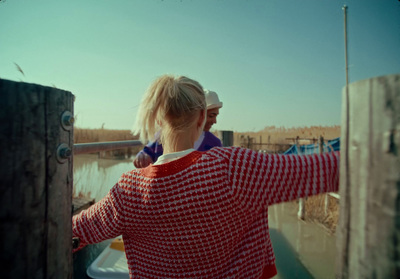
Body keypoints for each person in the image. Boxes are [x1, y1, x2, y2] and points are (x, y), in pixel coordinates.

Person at [72, 74, 340, 279]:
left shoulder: (128, 190)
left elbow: (76, 232)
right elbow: (328, 169)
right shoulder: (236, 167)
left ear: (158, 120)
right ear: (202, 116)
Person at [133, 89, 223, 168]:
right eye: (211, 116)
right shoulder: (161, 137)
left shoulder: (215, 144)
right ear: (200, 114)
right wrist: (142, 156)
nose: (215, 121)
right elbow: (146, 152)